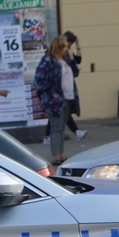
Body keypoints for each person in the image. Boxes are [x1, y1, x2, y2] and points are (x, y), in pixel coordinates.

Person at [34, 35, 73, 165]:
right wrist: (51, 90)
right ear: (59, 46)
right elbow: (38, 79)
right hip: (55, 99)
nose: (67, 48)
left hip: (67, 97)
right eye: (66, 46)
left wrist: (72, 58)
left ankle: (61, 155)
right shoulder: (48, 60)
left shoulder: (66, 60)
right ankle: (57, 156)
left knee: (61, 127)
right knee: (56, 128)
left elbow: (76, 72)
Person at [63, 32, 86, 139]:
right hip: (63, 85)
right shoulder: (60, 53)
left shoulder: (68, 51)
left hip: (67, 84)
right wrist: (72, 60)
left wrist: (78, 46)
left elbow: (79, 60)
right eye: (70, 44)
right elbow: (74, 68)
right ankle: (76, 131)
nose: (69, 47)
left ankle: (76, 132)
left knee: (62, 111)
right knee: (63, 110)